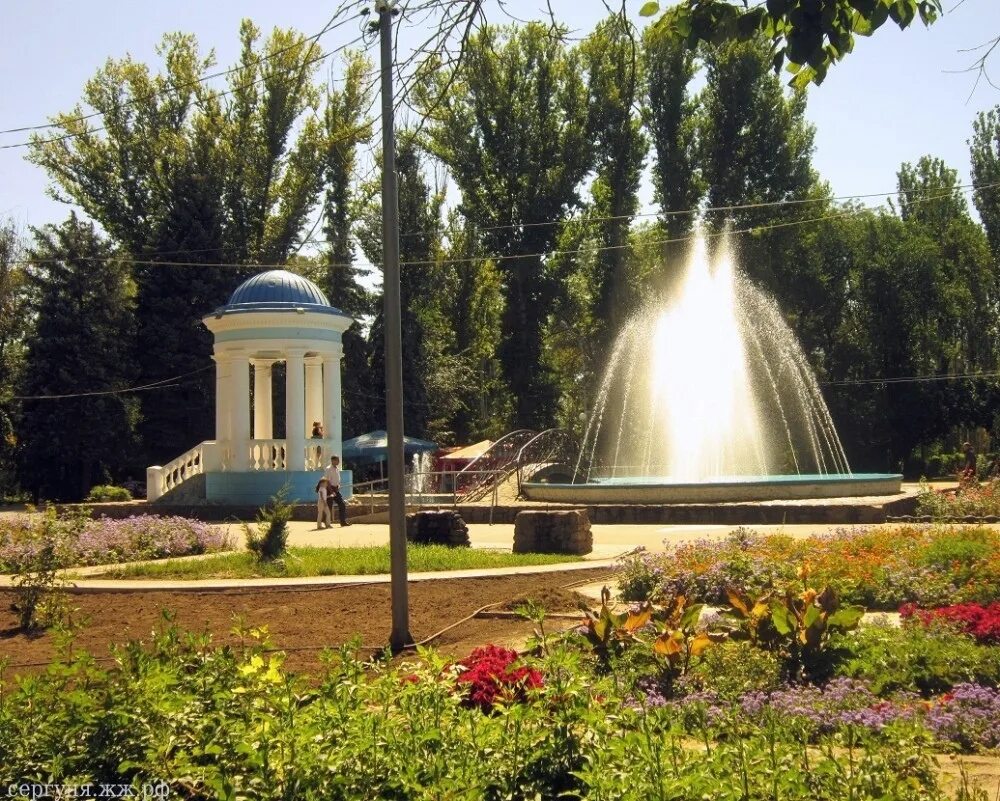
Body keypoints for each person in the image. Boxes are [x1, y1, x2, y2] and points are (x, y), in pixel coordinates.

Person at [323, 455, 350, 527]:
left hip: (336, 489)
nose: (338, 462)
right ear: (333, 460)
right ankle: (327, 522)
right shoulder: (328, 469)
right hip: (329, 489)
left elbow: (337, 479)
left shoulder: (337, 469)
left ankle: (343, 521)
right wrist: (331, 490)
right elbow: (327, 481)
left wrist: (338, 486)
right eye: (337, 460)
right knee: (329, 506)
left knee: (342, 504)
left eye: (338, 460)